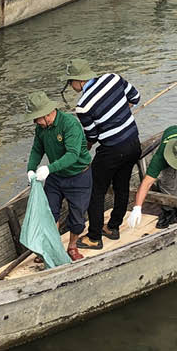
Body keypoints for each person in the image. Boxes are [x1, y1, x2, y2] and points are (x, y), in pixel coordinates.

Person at [65, 59, 142, 248]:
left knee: (95, 190)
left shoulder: (83, 105)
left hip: (112, 151)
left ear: (79, 81)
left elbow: (92, 134)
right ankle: (113, 227)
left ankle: (94, 237)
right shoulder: (113, 78)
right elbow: (135, 97)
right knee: (121, 186)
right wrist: (120, 114)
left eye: (70, 82)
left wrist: (86, 146)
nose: (70, 86)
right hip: (133, 143)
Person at [23, 90, 93, 261]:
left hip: (78, 176)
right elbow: (37, 149)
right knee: (49, 213)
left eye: (37, 118)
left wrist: (48, 169)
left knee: (77, 218)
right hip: (56, 177)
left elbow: (72, 154)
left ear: (47, 114)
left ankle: (72, 246)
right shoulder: (40, 128)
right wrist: (31, 169)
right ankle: (53, 248)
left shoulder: (69, 124)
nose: (36, 122)